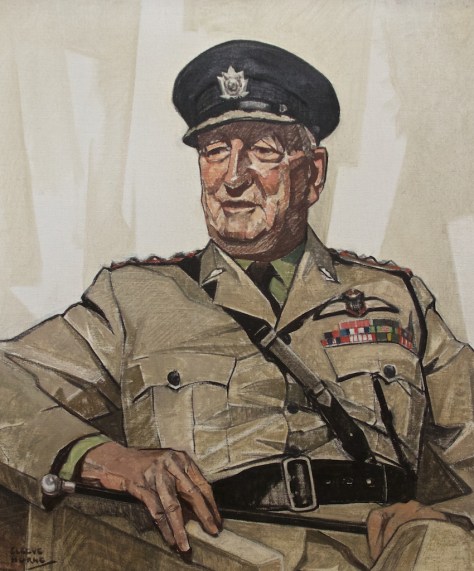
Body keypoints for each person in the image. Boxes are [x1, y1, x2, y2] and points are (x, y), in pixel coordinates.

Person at [0, 40, 473, 570]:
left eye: (263, 151)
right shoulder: (133, 298)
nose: (232, 177)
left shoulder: (396, 298)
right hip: (209, 551)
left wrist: (446, 519)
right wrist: (102, 458)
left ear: (314, 174)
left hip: (383, 553)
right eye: (215, 152)